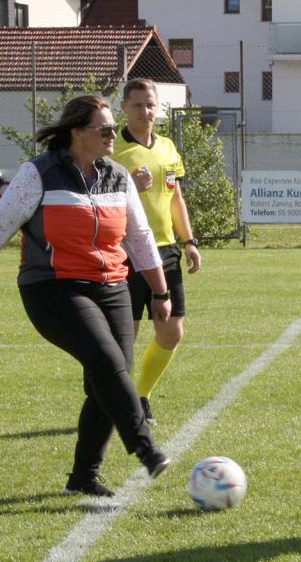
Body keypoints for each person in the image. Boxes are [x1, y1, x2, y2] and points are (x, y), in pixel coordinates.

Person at [0, 95, 172, 497]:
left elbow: (139, 239)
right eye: (103, 129)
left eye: (111, 128)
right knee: (108, 364)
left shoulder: (118, 176)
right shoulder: (39, 174)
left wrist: (160, 291)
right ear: (77, 133)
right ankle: (145, 448)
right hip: (52, 287)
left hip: (112, 286)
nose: (111, 135)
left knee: (107, 378)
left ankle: (83, 477)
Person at [112, 78, 201, 426]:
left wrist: (189, 240)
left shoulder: (166, 147)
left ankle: (142, 395)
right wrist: (128, 187)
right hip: (125, 250)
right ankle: (117, 402)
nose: (145, 111)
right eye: (137, 105)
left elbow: (175, 197)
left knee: (171, 331)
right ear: (124, 108)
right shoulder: (112, 150)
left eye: (150, 105)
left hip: (165, 250)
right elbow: (95, 199)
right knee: (126, 335)